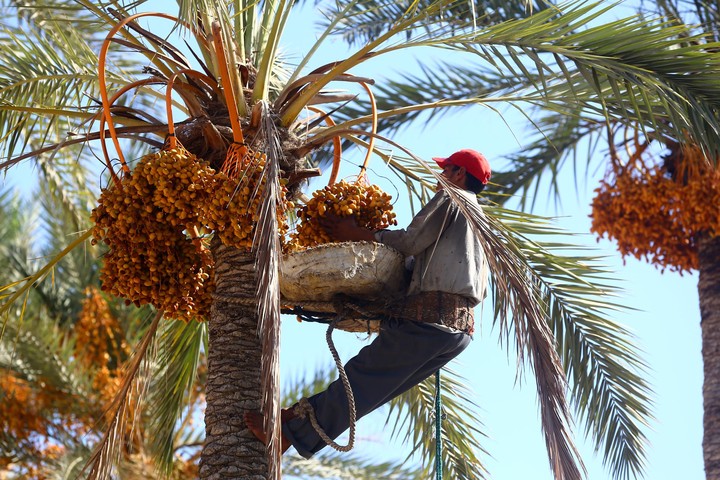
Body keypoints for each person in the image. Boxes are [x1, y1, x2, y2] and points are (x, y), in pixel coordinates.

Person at [245, 148, 491, 458]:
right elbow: (420, 263)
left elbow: (411, 242)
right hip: (457, 332)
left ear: (458, 175)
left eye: (446, 170)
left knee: (362, 378)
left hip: (431, 323)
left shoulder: (453, 199)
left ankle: (286, 435)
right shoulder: (479, 221)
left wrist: (363, 234)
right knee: (370, 387)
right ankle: (293, 418)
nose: (440, 178)